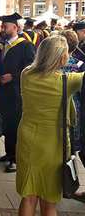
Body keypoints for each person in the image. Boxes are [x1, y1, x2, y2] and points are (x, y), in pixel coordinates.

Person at [16, 35, 83, 216]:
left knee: (28, 196)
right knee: (49, 201)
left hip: (27, 139)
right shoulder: (68, 81)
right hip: (54, 144)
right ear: (61, 57)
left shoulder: (26, 74)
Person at [0, 13, 35, 173]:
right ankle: (8, 153)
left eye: (6, 26)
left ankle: (15, 159)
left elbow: (30, 67)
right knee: (6, 124)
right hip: (3, 92)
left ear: (16, 28)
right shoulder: (0, 46)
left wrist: (13, 76)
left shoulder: (25, 46)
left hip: (16, 93)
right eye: (2, 26)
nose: (2, 29)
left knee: (15, 126)